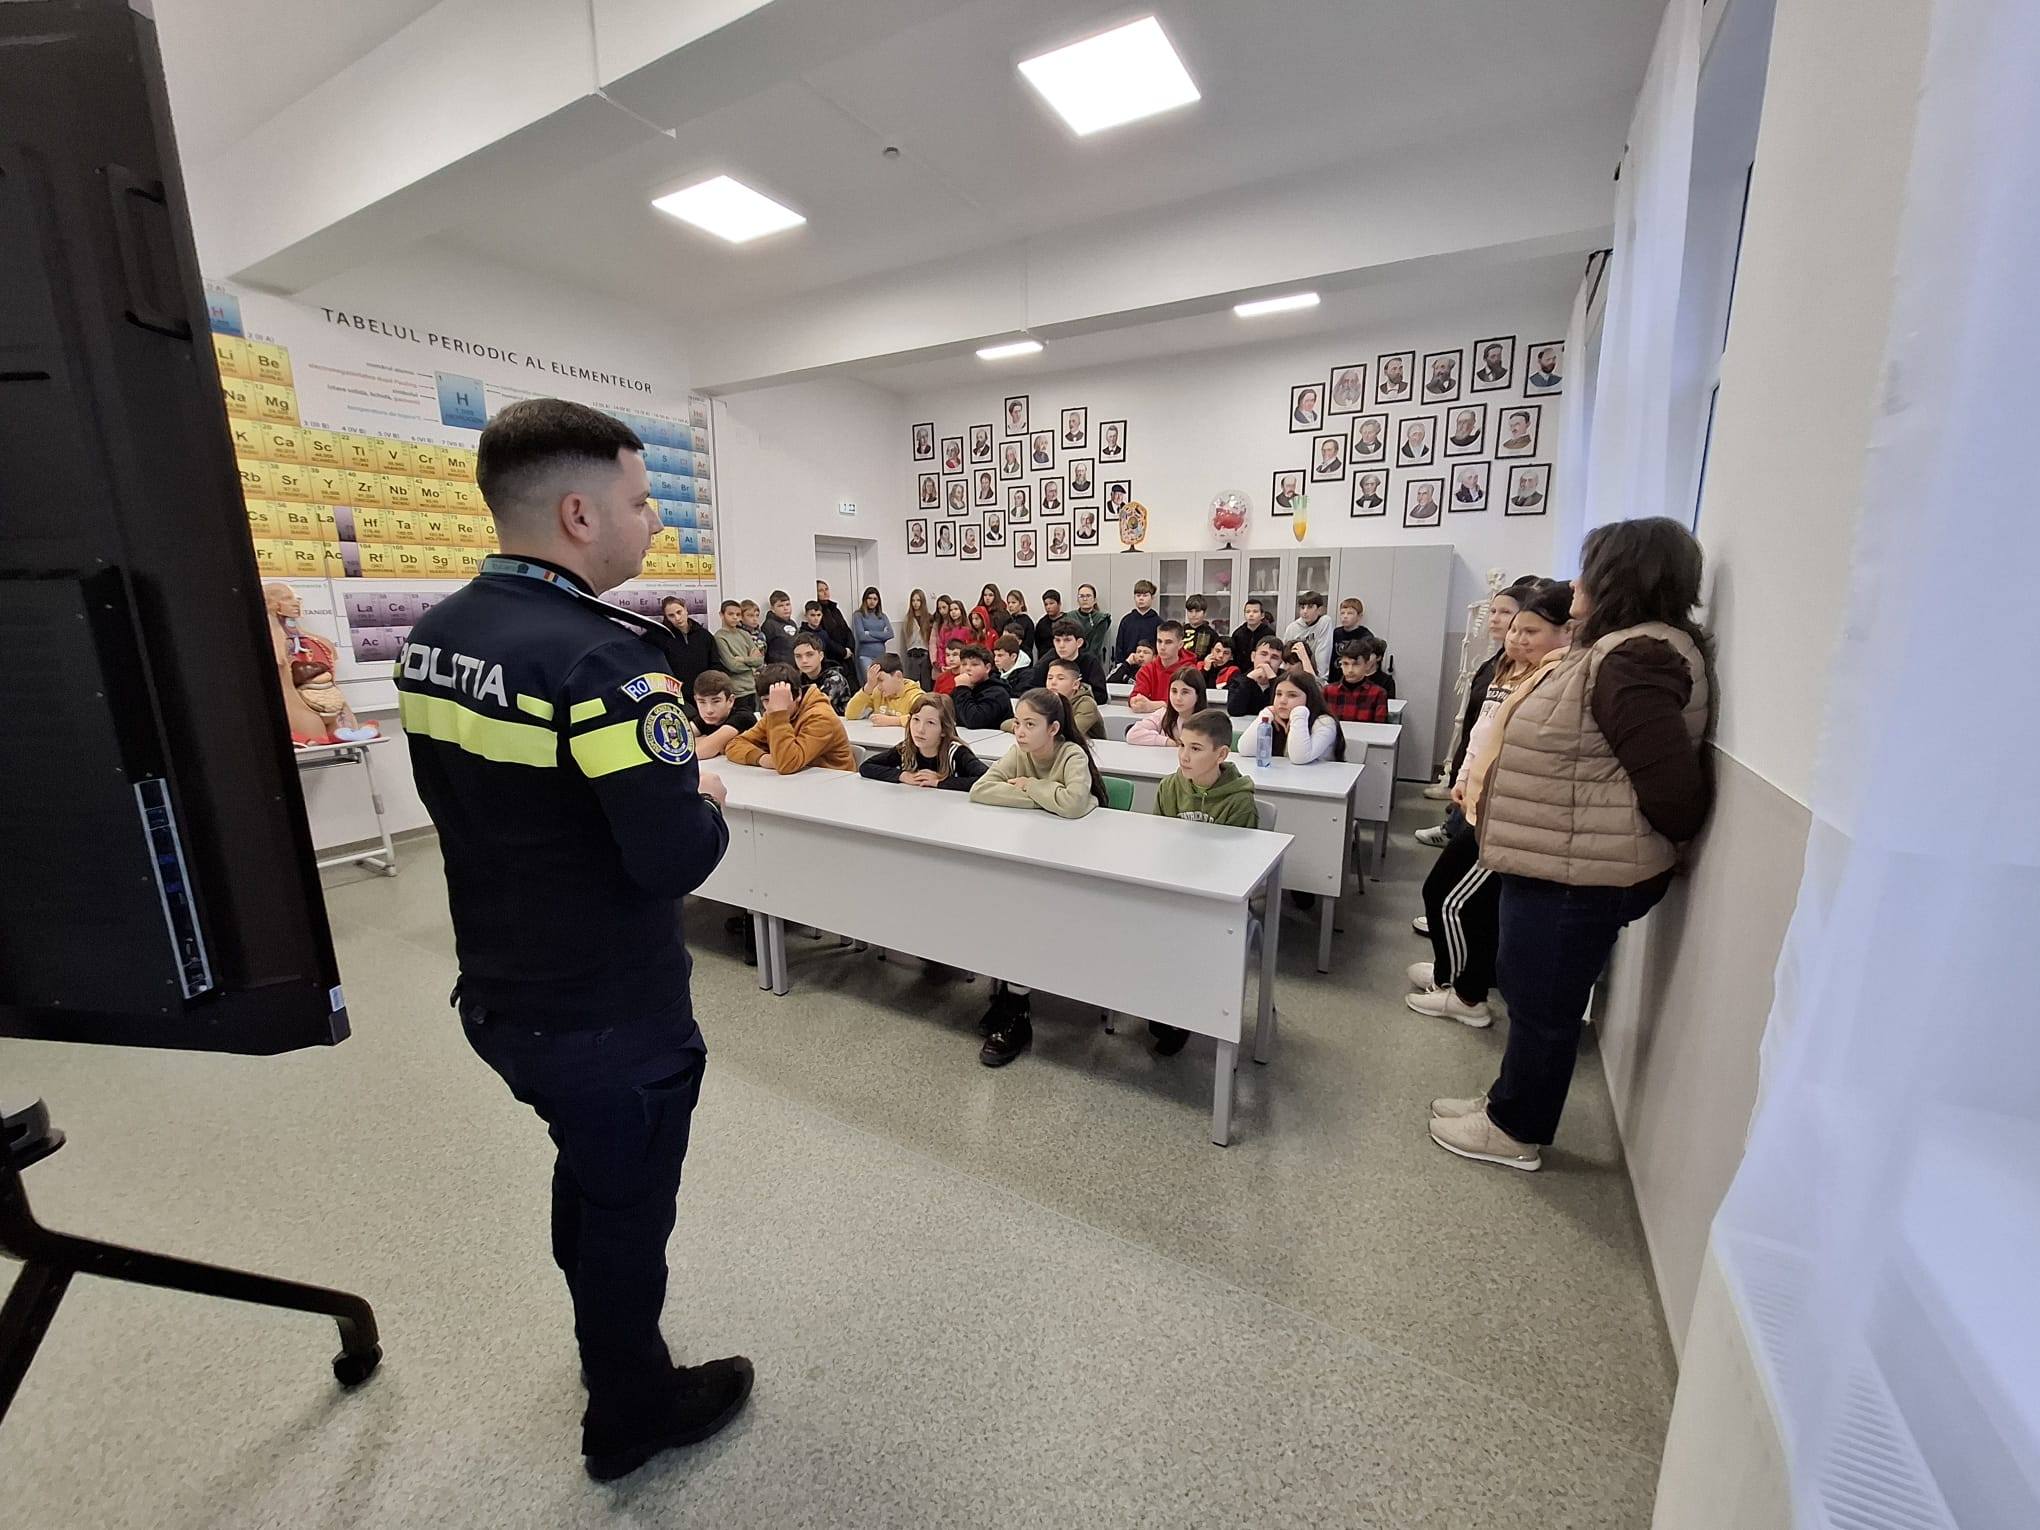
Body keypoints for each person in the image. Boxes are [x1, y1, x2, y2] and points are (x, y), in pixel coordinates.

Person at [394, 399, 750, 1479]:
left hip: (502, 992)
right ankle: (630, 1410)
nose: (656, 522)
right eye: (642, 502)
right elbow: (670, 857)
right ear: (580, 514)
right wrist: (707, 799)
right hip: (609, 1013)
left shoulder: (437, 636)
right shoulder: (606, 662)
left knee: (591, 1174)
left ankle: (604, 1343)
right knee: (629, 1211)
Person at [1429, 519, 1713, 1173]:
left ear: (1623, 577)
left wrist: (1640, 848)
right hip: (1563, 857)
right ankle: (1506, 1103)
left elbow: (1673, 790)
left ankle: (1516, 1130)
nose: (1575, 582)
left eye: (1590, 567)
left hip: (1579, 870)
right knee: (1530, 994)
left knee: (1543, 1004)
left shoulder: (1636, 660)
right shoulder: (1617, 650)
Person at [1410, 582, 1573, 1028]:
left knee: (1453, 902)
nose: (1516, 636)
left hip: (1503, 815)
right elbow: (1482, 735)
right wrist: (1464, 778)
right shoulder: (1507, 669)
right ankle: (1450, 975)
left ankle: (1465, 995)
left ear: (1566, 633)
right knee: (1451, 897)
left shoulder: (1550, 678)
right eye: (1514, 628)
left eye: (1529, 630)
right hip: (1481, 805)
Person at [968, 688, 1112, 1066]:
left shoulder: (1072, 754)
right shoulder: (1019, 752)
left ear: (1053, 728)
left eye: (1030, 724)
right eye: (1018, 722)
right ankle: (1010, 995)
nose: (1019, 731)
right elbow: (981, 789)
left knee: (1026, 914)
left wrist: (1029, 785)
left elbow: (1075, 803)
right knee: (1003, 905)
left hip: (1075, 867)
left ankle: (1017, 1009)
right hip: (1032, 854)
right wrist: (1048, 798)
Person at [723, 662, 855, 774]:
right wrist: (762, 758)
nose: (772, 705)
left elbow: (787, 764)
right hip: (799, 781)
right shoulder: (773, 714)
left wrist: (779, 714)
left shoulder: (821, 717)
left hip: (834, 784)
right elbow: (734, 745)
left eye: (780, 699)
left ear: (798, 695)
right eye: (766, 700)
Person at [858, 693, 987, 791]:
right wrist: (902, 776)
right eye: (916, 720)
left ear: (943, 730)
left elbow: (986, 780)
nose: (920, 729)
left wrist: (940, 782)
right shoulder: (905, 749)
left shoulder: (956, 753)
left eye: (930, 723)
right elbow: (866, 766)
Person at [1245, 669, 1347, 764]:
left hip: (1318, 776)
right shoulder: (1273, 717)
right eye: (1279, 694)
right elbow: (1246, 749)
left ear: (1310, 697)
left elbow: (1300, 758)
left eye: (1292, 695)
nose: (1282, 701)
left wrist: (1299, 713)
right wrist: (1266, 714)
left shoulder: (1325, 722)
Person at [1019, 655, 1105, 739]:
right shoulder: (1045, 701)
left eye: (1060, 678)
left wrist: (1031, 727)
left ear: (1075, 684)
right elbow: (1015, 723)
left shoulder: (1087, 704)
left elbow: (1071, 734)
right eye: (1050, 678)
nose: (1053, 682)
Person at [658, 596, 723, 701]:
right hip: (676, 695)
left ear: (686, 610)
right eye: (671, 615)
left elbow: (715, 664)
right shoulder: (661, 637)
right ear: (666, 617)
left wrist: (712, 687)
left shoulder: (704, 635)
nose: (677, 618)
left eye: (679, 612)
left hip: (704, 693)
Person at [1127, 620, 1199, 713]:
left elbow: (1189, 703)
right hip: (1152, 719)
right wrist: (1135, 701)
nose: (1162, 647)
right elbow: (1136, 695)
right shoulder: (1147, 669)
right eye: (1159, 641)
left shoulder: (1190, 671)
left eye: (1168, 642)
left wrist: (1154, 705)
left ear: (1180, 645)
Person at [1126, 665, 1208, 746]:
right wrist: (1168, 742)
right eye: (1174, 691)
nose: (1178, 698)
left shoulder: (1208, 723)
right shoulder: (1163, 714)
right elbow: (1132, 734)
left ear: (1198, 695)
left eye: (1185, 692)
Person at [1031, 616, 1109, 701]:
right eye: (1057, 640)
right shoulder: (1047, 660)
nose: (1061, 645)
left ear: (1079, 643)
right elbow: (1031, 687)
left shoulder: (1090, 662)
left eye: (1067, 640)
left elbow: (1101, 695)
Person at [712, 598, 762, 728]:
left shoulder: (744, 634)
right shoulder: (720, 637)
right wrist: (751, 663)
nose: (735, 617)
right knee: (741, 727)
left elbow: (760, 661)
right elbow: (732, 665)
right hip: (737, 691)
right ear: (721, 615)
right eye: (731, 614)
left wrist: (743, 659)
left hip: (753, 688)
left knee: (756, 725)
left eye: (738, 614)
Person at [948, 644, 1015, 729]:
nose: (967, 668)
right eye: (964, 664)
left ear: (987, 668)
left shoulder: (998, 693)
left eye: (974, 664)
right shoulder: (964, 689)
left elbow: (973, 720)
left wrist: (962, 688)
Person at [845, 653, 924, 724]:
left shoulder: (915, 696)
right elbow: (850, 714)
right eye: (876, 681)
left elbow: (922, 719)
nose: (878, 686)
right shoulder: (877, 693)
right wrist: (868, 687)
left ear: (898, 676)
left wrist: (893, 721)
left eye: (881, 680)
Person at [1324, 639, 1390, 723]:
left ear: (1367, 665)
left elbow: (1380, 728)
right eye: (1345, 664)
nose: (1350, 670)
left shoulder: (1378, 694)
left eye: (1356, 664)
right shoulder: (1327, 691)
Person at [789, 632, 853, 713]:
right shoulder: (797, 680)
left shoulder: (834, 679)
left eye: (810, 655)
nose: (804, 660)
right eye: (798, 656)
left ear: (821, 656)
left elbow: (816, 706)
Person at [686, 671, 743, 760]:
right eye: (702, 702)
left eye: (716, 701)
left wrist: (702, 741)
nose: (709, 710)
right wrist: (709, 742)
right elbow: (673, 742)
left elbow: (699, 752)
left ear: (730, 701)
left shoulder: (741, 717)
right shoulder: (704, 719)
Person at [1226, 635, 1288, 716]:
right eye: (1263, 654)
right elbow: (1234, 711)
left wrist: (1273, 680)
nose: (1267, 660)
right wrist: (1249, 680)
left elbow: (1281, 711)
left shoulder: (1287, 681)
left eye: (1274, 657)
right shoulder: (1238, 681)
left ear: (1280, 663)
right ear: (1253, 657)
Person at [1283, 591, 1334, 677]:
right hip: (1295, 673)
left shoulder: (1324, 622)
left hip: (1316, 673)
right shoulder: (1292, 628)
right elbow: (1285, 655)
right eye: (1302, 607)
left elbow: (1323, 651)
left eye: (1310, 607)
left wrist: (1321, 678)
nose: (1305, 611)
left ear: (1319, 609)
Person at [1114, 579, 1161, 662]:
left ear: (1152, 597)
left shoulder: (1158, 622)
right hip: (1128, 664)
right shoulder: (1126, 620)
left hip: (1150, 666)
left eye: (1145, 595)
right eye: (1138, 595)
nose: (1141, 598)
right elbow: (1119, 647)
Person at [799, 600, 851, 669]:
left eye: (818, 615)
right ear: (806, 616)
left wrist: (845, 652)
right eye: (812, 615)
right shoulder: (803, 634)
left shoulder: (823, 632)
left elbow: (832, 645)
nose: (816, 618)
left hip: (824, 665)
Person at [851, 586, 893, 670]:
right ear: (865, 600)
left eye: (875, 599)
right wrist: (882, 636)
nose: (872, 601)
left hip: (881, 656)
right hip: (865, 656)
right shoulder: (858, 615)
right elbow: (862, 637)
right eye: (869, 598)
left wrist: (869, 633)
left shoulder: (882, 616)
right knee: (869, 678)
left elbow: (890, 634)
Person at [901, 588, 936, 687]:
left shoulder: (929, 618)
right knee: (913, 685)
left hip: (925, 654)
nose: (915, 603)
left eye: (918, 600)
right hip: (912, 655)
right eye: (913, 600)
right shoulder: (908, 619)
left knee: (926, 684)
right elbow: (907, 638)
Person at [1075, 583, 1112, 666]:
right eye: (1081, 596)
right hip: (1072, 660)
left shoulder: (1101, 619)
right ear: (1077, 600)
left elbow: (1095, 648)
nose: (1085, 599)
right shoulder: (1070, 617)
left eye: (1088, 596)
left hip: (1092, 662)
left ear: (1094, 600)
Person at [1229, 597, 1276, 663]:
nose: (1251, 615)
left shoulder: (1269, 633)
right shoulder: (1238, 634)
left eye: (1255, 611)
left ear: (1262, 615)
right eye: (1248, 612)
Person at [760, 590, 801, 666]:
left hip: (795, 666)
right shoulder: (769, 625)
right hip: (778, 667)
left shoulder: (792, 623)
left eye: (787, 604)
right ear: (772, 609)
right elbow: (764, 649)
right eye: (780, 606)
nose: (785, 608)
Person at [1180, 594, 1218, 660]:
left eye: (1197, 611)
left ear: (1205, 613)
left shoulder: (1211, 634)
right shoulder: (1180, 630)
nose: (1193, 615)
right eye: (1190, 611)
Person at [1031, 590, 1065, 658]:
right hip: (1045, 658)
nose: (1048, 607)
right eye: (1046, 604)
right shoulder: (1041, 623)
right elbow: (1038, 644)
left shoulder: (1067, 620)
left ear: (1059, 604)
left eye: (1051, 603)